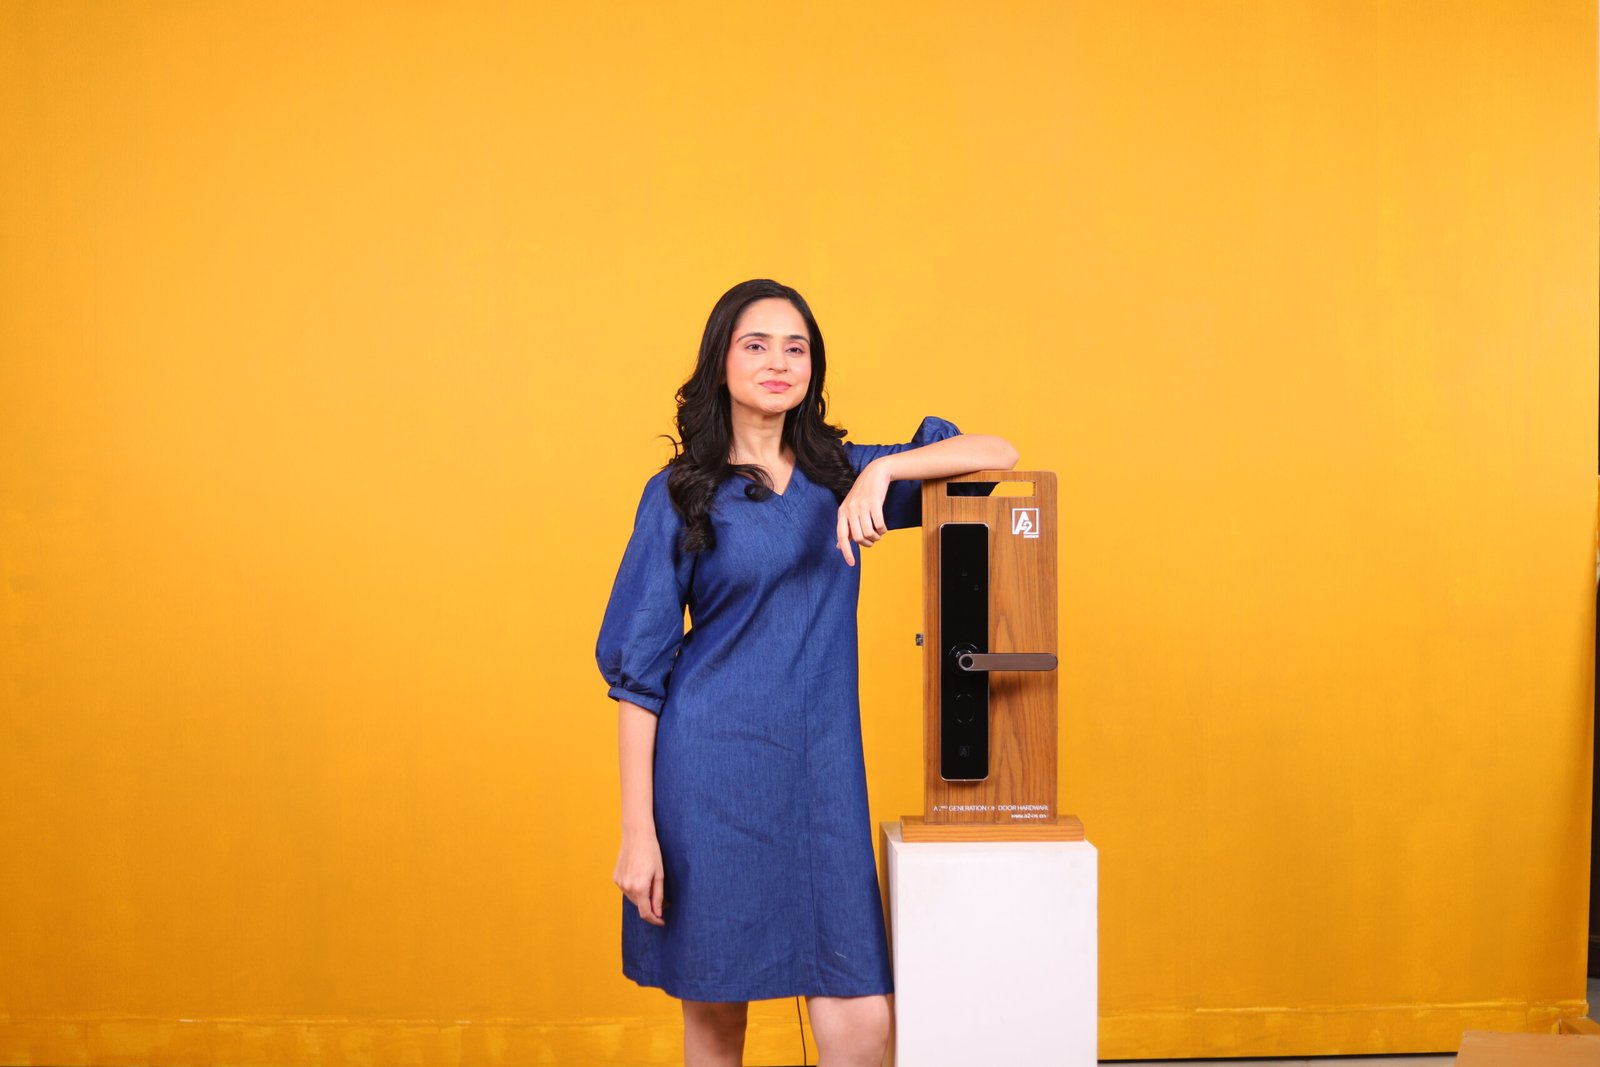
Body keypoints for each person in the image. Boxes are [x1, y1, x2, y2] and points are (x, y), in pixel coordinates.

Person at [596, 279, 1018, 1067]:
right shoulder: (680, 493)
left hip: (822, 778)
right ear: (722, 362)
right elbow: (638, 678)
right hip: (709, 776)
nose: (778, 362)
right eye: (756, 345)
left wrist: (884, 474)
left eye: (796, 348)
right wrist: (637, 832)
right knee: (717, 1019)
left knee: (862, 1025)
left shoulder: (841, 475)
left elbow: (998, 454)